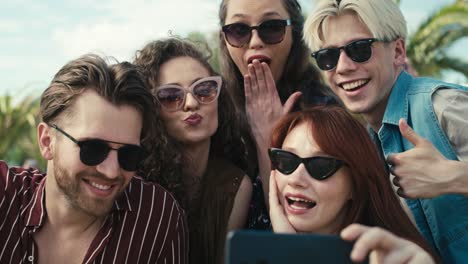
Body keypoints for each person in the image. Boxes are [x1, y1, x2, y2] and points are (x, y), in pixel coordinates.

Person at [304, 0, 468, 262]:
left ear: (398, 51)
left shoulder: (443, 106)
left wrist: (455, 177)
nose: (343, 67)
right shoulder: (367, 142)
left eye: (359, 49)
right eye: (328, 57)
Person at [0, 54, 188, 263]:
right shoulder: (5, 196)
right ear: (47, 142)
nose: (112, 171)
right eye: (93, 149)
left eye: (129, 154)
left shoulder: (155, 218)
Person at [218, 0, 336, 229]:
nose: (255, 43)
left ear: (295, 34)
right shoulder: (214, 108)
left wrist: (269, 137)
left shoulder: (323, 110)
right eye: (239, 30)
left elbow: (297, 226)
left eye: (272, 27)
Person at [134, 38, 252, 264]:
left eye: (204, 89)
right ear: (152, 110)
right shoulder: (134, 181)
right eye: (171, 96)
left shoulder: (235, 186)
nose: (191, 103)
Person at [268, 106, 438, 263]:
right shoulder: (247, 250)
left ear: (356, 185)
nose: (296, 179)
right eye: (286, 160)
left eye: (320, 165)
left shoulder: (393, 257)